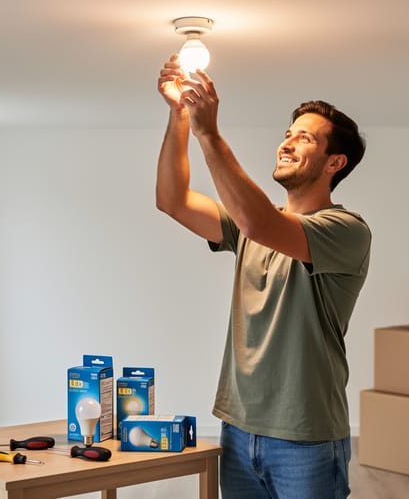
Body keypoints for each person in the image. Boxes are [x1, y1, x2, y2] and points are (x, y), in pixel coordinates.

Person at [155, 53, 371, 499]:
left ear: (335, 163)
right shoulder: (251, 224)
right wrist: (180, 116)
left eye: (305, 139)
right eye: (288, 134)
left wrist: (208, 131)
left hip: (306, 437)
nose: (287, 143)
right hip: (237, 427)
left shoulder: (346, 231)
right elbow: (172, 200)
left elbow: (259, 224)